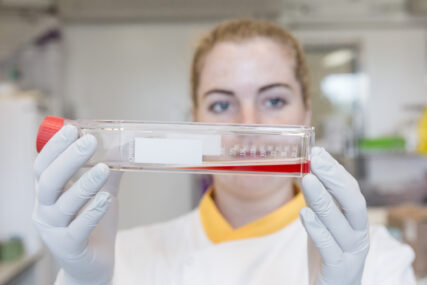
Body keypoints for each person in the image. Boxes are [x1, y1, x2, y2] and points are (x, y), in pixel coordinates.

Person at [32, 19, 416, 285]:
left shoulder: (376, 260)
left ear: (306, 114)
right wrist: (84, 281)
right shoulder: (125, 257)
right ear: (194, 119)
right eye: (221, 105)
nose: (248, 126)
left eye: (275, 99)